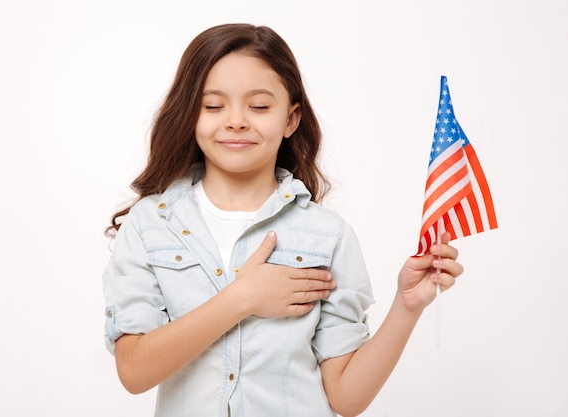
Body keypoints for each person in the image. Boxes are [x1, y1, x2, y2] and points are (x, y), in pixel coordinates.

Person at [102, 23, 463, 417]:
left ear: (291, 119)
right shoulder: (150, 225)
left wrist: (406, 307)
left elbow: (347, 398)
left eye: (259, 106)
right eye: (213, 105)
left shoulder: (329, 236)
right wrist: (243, 298)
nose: (236, 121)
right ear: (191, 115)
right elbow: (134, 371)